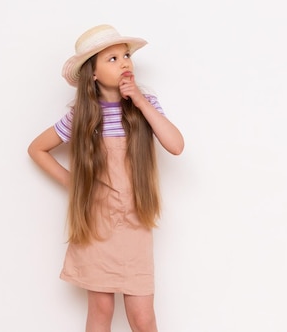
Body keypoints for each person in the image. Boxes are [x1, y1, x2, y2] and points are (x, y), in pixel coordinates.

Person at [28, 24, 184, 332]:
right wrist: (76, 186)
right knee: (101, 309)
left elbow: (176, 145)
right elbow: (37, 149)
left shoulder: (145, 106)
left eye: (126, 55)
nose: (124, 62)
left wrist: (139, 100)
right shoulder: (82, 116)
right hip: (96, 227)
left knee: (142, 317)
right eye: (112, 59)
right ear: (93, 74)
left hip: (135, 224)